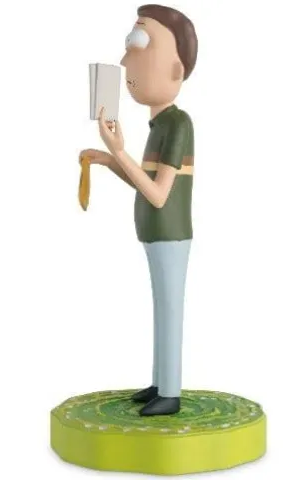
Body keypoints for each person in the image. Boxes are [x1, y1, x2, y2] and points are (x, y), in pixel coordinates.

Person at [80, 4, 198, 416]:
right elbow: (143, 182)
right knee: (161, 308)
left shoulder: (179, 124)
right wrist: (108, 159)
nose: (127, 59)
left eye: (141, 46)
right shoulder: (159, 126)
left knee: (169, 308)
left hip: (170, 233)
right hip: (154, 233)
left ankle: (171, 392)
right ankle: (160, 384)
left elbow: (159, 194)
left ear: (176, 71)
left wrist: (118, 151)